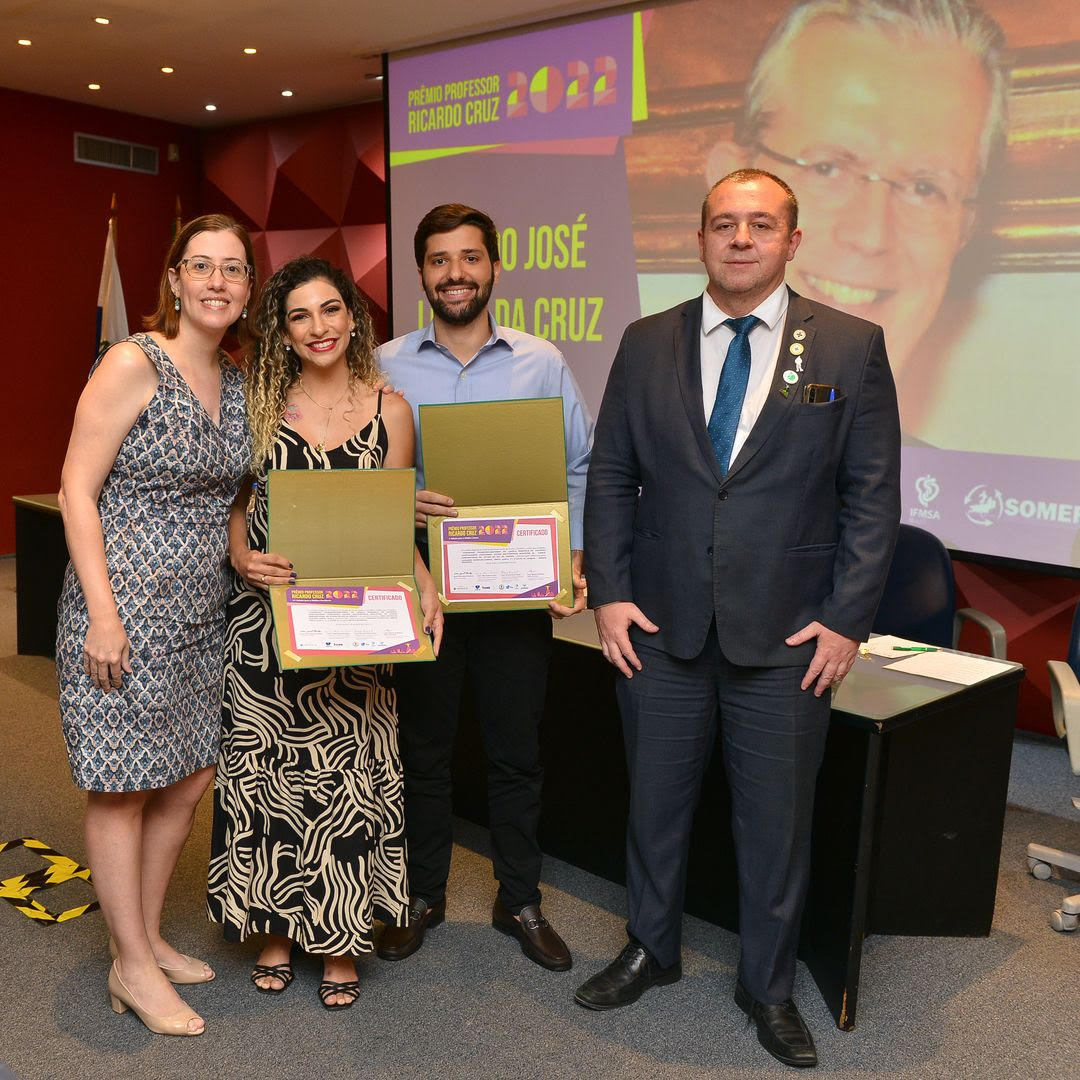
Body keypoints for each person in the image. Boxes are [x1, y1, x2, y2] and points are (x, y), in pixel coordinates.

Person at [575, 171, 900, 1069]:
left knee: (776, 825)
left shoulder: (850, 345)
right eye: (724, 224)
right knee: (655, 807)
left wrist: (847, 620)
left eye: (761, 224)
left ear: (793, 240)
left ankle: (768, 985)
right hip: (659, 628)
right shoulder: (646, 341)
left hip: (789, 636)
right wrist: (608, 590)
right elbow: (613, 473)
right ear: (701, 239)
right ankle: (651, 948)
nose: (741, 238)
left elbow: (871, 497)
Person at [206, 256, 443, 1009]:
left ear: (353, 319)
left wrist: (423, 581)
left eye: (330, 310)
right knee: (268, 774)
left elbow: (393, 519)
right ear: (281, 330)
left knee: (349, 781)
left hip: (357, 627)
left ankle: (341, 937)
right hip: (268, 623)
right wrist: (240, 554)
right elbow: (233, 503)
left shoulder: (392, 411)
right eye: (299, 315)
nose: (318, 328)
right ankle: (274, 932)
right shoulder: (255, 404)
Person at [375, 204, 592, 972]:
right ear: (421, 273)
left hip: (514, 588)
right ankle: (423, 895)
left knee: (515, 753)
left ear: (495, 267)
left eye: (469, 258)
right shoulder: (385, 363)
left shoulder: (541, 361)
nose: (455, 274)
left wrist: (573, 558)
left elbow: (578, 465)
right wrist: (403, 503)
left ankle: (519, 900)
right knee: (423, 751)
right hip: (423, 587)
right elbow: (365, 469)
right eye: (439, 260)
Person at [56, 214, 255, 1036]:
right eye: (201, 265)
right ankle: (132, 966)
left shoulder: (238, 380)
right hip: (125, 609)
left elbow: (235, 493)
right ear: (174, 279)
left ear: (248, 288)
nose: (217, 281)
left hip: (203, 612)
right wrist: (103, 614)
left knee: (187, 778)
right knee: (122, 785)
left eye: (233, 269)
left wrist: (242, 553)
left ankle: (139, 939)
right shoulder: (133, 362)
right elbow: (74, 487)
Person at [703, 0, 1006, 442]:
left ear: (965, 229)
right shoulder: (640, 420)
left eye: (925, 188)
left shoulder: (963, 479)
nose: (870, 234)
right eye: (827, 168)